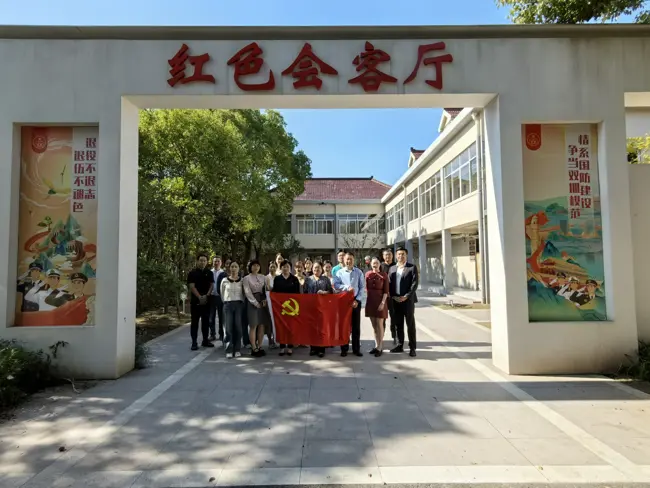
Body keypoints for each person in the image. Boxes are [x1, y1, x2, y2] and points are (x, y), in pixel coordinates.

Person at [333, 251, 365, 357]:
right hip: (343, 301)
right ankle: (344, 348)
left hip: (355, 301)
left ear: (353, 260)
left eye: (351, 259)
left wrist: (357, 300)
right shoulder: (339, 273)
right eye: (347, 259)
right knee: (344, 326)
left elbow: (362, 287)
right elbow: (336, 285)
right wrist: (346, 287)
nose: (349, 261)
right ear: (344, 260)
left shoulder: (359, 272)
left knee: (356, 327)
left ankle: (356, 349)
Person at [388, 247, 419, 357]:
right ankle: (400, 345)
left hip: (407, 301)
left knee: (410, 324)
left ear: (406, 255)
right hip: (396, 300)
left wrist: (406, 296)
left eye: (403, 254)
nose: (400, 256)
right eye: (399, 254)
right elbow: (390, 284)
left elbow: (414, 284)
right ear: (396, 256)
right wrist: (393, 296)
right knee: (398, 324)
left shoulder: (411, 267)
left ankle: (412, 347)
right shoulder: (392, 268)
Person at [186, 253, 215, 351]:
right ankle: (194, 342)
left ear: (207, 262)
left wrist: (206, 295)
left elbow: (212, 285)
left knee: (206, 322)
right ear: (197, 261)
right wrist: (199, 297)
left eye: (204, 260)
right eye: (201, 260)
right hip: (195, 301)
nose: (202, 262)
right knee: (194, 322)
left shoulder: (209, 273)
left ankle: (205, 340)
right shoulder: (192, 273)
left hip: (207, 301)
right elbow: (192, 286)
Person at [273, 260, 301, 356]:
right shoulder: (277, 279)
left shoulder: (294, 279)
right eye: (283, 267)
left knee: (290, 326)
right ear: (281, 268)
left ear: (290, 268)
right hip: (280, 307)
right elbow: (274, 292)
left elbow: (298, 294)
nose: (285, 268)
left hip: (292, 307)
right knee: (281, 326)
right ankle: (282, 346)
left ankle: (289, 346)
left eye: (287, 266)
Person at [306, 261, 334, 358]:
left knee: (322, 328)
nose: (316, 269)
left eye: (318, 267)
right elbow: (305, 292)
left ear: (321, 269)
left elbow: (331, 292)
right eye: (315, 267)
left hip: (323, 307)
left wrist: (324, 292)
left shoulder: (325, 279)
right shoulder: (308, 279)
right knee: (312, 328)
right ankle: (313, 348)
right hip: (311, 307)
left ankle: (321, 348)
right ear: (312, 268)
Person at [243, 259, 268, 357]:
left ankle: (260, 345)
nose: (256, 267)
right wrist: (255, 302)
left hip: (263, 301)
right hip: (252, 302)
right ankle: (254, 347)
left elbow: (266, 289)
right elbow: (247, 292)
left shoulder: (263, 277)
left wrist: (265, 299)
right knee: (253, 325)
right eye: (254, 265)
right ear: (250, 267)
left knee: (261, 325)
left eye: (257, 265)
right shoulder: (246, 278)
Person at [365, 257, 389, 357]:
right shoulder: (367, 274)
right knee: (374, 325)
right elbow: (366, 289)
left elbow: (386, 291)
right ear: (371, 264)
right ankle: (376, 345)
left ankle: (380, 347)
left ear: (380, 264)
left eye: (377, 263)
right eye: (373, 263)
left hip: (380, 302)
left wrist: (383, 303)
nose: (375, 264)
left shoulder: (384, 275)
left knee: (379, 324)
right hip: (371, 302)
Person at [221, 261, 245, 358]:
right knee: (228, 328)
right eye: (232, 266)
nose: (234, 268)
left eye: (236, 266)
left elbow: (244, 293)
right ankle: (229, 349)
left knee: (238, 327)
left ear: (238, 269)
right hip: (228, 305)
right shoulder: (224, 280)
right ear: (229, 268)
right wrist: (226, 302)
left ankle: (237, 349)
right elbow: (222, 293)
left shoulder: (242, 281)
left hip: (238, 305)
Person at [381, 248, 397, 344]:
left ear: (392, 256)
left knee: (394, 317)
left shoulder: (396, 266)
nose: (388, 256)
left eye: (389, 254)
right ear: (383, 256)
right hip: (383, 296)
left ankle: (395, 336)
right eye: (386, 255)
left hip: (393, 296)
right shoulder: (380, 266)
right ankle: (381, 337)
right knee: (382, 318)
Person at [209, 255, 225, 342]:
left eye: (218, 261)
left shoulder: (223, 273)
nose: (216, 263)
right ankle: (212, 334)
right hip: (211, 297)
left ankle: (221, 334)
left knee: (221, 317)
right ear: (212, 262)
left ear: (221, 263)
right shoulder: (209, 272)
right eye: (215, 261)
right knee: (211, 317)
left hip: (220, 297)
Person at [265, 261, 278, 348]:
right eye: (271, 267)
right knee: (269, 321)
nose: (272, 268)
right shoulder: (266, 277)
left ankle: (276, 339)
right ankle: (270, 340)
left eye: (274, 267)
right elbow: (267, 288)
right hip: (269, 299)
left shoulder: (278, 277)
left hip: (277, 301)